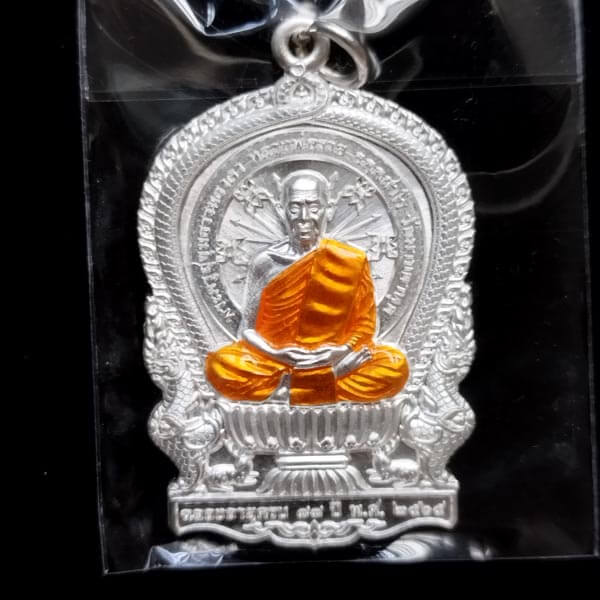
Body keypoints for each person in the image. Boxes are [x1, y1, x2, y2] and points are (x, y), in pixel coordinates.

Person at [206, 170, 409, 406]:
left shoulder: (351, 259)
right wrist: (277, 353)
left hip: (334, 357)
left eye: (313, 207)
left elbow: (365, 325)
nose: (304, 217)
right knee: (219, 365)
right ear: (282, 212)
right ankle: (327, 381)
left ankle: (290, 388)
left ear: (328, 210)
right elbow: (247, 329)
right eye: (295, 208)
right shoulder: (265, 262)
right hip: (276, 363)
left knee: (395, 366)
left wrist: (342, 350)